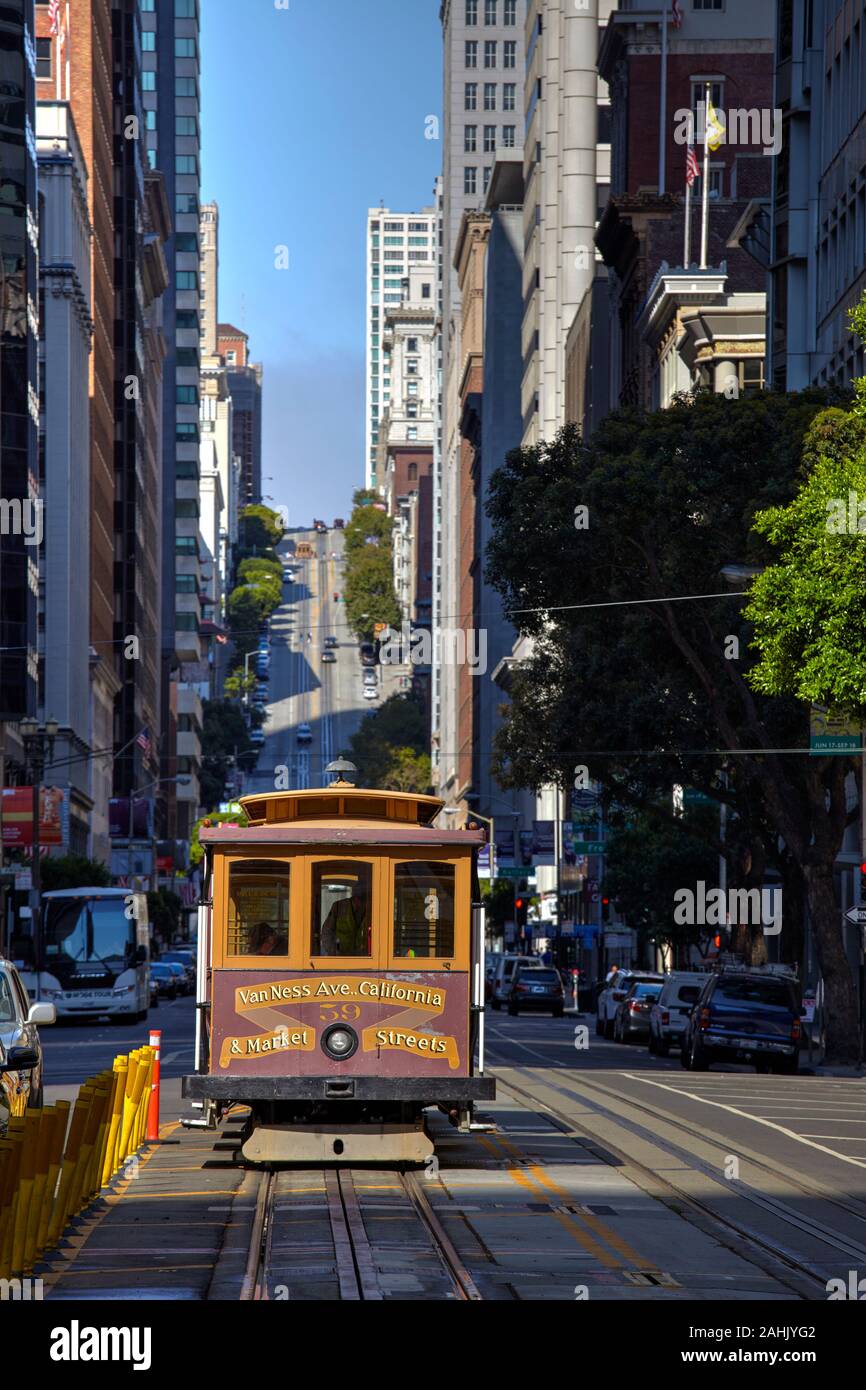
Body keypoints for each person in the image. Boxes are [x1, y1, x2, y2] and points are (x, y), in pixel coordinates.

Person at [320, 885, 369, 956]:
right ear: (354, 897)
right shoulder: (338, 907)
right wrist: (334, 953)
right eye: (359, 899)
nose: (361, 904)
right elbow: (326, 933)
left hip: (361, 958)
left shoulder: (369, 910)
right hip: (340, 958)